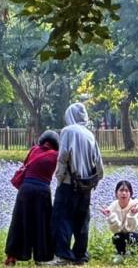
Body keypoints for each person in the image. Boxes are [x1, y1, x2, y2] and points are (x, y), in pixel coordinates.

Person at [49, 103, 104, 265]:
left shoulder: (68, 131)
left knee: (62, 219)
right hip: (85, 186)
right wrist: (95, 180)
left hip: (68, 183)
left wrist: (59, 178)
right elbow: (99, 163)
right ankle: (80, 255)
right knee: (82, 220)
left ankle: (64, 255)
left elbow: (63, 156)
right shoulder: (89, 134)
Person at [4, 130, 60, 266]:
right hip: (42, 191)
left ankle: (12, 256)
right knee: (42, 224)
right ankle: (41, 257)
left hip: (26, 189)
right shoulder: (56, 155)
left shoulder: (34, 150)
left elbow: (25, 165)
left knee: (19, 222)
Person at [100, 180, 138, 264]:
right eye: (121, 190)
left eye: (126, 191)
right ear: (116, 193)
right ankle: (121, 254)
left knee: (131, 235)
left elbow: (131, 229)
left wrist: (132, 215)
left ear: (130, 194)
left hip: (136, 234)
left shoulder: (135, 206)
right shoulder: (113, 206)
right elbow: (115, 230)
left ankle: (135, 255)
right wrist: (110, 216)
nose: (124, 193)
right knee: (116, 236)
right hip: (122, 235)